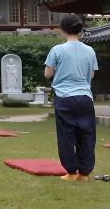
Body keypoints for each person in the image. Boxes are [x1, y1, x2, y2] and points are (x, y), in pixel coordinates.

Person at [45, 14, 98, 182]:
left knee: (67, 134)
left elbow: (48, 74)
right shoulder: (89, 51)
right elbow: (91, 75)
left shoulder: (57, 50)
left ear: (62, 29)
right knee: (86, 133)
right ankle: (84, 172)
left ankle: (70, 171)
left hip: (64, 97)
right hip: (84, 97)